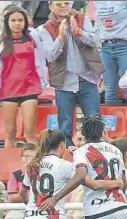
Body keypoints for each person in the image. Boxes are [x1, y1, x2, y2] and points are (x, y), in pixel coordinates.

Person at [0, 5, 48, 148]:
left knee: (30, 131)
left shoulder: (32, 36)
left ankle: (34, 163)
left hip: (30, 86)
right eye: (13, 20)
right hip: (8, 89)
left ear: (25, 21)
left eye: (20, 20)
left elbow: (42, 56)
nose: (17, 24)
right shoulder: (0, 37)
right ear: (7, 22)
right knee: (10, 132)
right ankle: (9, 163)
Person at [38, 1, 103, 146]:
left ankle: (96, 154)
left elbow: (96, 41)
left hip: (87, 79)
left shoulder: (82, 19)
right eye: (58, 3)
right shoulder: (44, 29)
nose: (63, 6)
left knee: (94, 122)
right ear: (50, 7)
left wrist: (79, 33)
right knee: (65, 126)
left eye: (66, 2)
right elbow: (50, 56)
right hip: (64, 83)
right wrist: (60, 38)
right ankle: (67, 156)